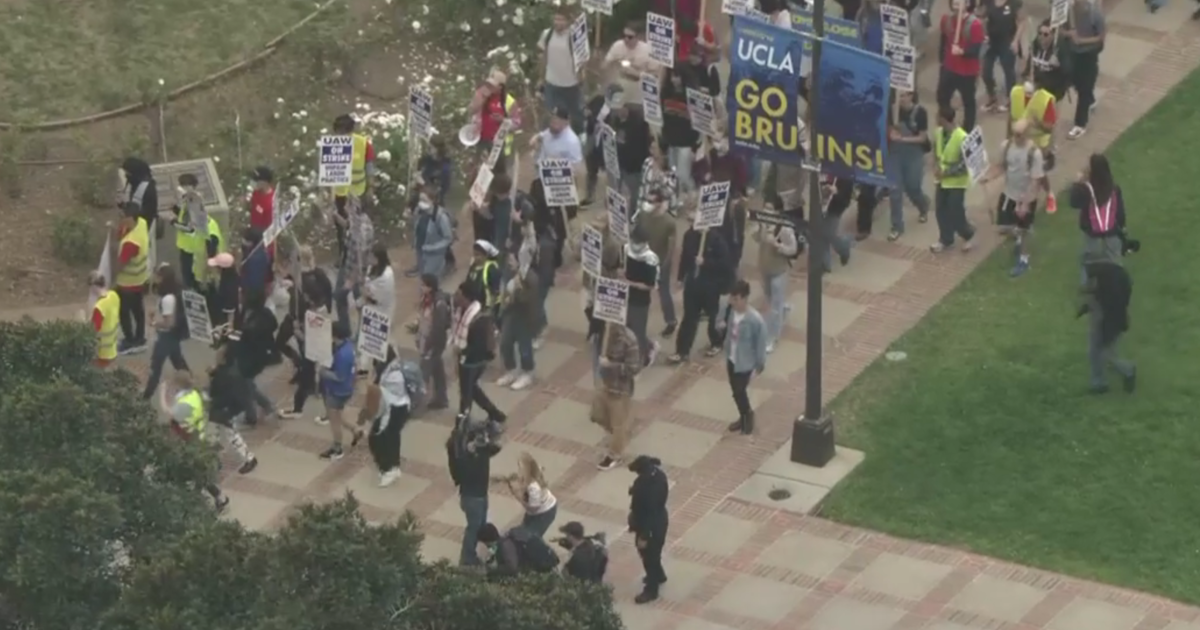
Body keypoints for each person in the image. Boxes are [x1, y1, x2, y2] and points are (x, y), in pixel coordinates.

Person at [981, 119, 1048, 277]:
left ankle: (1023, 259)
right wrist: (988, 177)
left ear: (1026, 134)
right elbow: (1001, 166)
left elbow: (1035, 180)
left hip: (1026, 197)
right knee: (1003, 226)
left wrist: (1025, 203)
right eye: (1013, 133)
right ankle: (1018, 235)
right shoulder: (1006, 146)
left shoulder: (1034, 153)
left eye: (1018, 134)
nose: (1015, 137)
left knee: (1023, 229)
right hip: (1009, 193)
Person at [162, 370, 232, 511]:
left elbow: (169, 413)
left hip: (191, 440)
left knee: (196, 472)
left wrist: (162, 393)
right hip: (200, 435)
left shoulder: (184, 404)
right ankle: (216, 498)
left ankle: (205, 500)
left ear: (177, 385)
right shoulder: (195, 394)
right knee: (198, 472)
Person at [668, 212, 733, 364]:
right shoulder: (689, 236)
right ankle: (682, 350)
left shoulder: (717, 239)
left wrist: (705, 262)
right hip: (693, 284)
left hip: (711, 285)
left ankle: (717, 342)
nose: (690, 223)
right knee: (689, 317)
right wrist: (680, 277)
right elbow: (684, 257)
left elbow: (725, 265)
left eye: (693, 220)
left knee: (713, 317)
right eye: (689, 219)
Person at [446, 415, 501, 566]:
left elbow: (496, 448)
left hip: (481, 494)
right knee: (474, 528)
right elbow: (462, 472)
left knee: (481, 525)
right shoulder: (462, 455)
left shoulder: (481, 448)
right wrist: (470, 453)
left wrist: (487, 441)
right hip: (471, 497)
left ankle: (490, 548)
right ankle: (467, 557)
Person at [716, 280, 768, 434]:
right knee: (736, 391)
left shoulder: (754, 320)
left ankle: (747, 417)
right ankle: (743, 416)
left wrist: (759, 365)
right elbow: (721, 320)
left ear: (745, 298)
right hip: (732, 359)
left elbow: (760, 343)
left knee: (739, 391)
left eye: (736, 299)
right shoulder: (731, 312)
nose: (733, 302)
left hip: (745, 363)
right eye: (732, 298)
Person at [204, 334, 261, 475]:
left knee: (230, 435)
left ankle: (249, 458)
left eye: (219, 354)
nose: (216, 355)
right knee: (214, 435)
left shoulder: (226, 376)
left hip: (224, 411)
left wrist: (211, 402)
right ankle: (214, 461)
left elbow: (219, 394)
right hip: (222, 410)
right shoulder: (228, 370)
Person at [280, 271, 333, 420]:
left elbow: (312, 339)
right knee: (306, 381)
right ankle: (299, 408)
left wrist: (298, 332)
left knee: (319, 383)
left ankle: (325, 412)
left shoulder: (316, 314)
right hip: (315, 352)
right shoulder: (319, 308)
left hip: (316, 352)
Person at [452, 281, 506, 425]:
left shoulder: (479, 320)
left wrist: (462, 351)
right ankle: (495, 414)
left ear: (466, 298)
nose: (455, 297)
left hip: (473, 360)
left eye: (459, 294)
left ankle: (462, 420)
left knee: (466, 392)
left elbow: (479, 346)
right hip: (465, 357)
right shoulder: (461, 311)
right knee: (471, 388)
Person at [1079, 256, 1135, 394]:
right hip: (1115, 317)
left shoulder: (1100, 275)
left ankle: (1127, 370)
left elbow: (1091, 291)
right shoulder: (1116, 274)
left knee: (1102, 353)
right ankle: (1099, 383)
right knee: (1099, 351)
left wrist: (1088, 302)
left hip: (1110, 319)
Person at [593, 322, 642, 471]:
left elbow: (633, 368)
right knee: (597, 414)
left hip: (620, 389)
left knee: (618, 424)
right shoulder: (603, 334)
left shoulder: (629, 339)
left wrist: (610, 365)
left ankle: (615, 455)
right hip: (604, 384)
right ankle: (618, 437)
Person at [756, 195, 800, 352]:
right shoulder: (762, 223)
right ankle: (784, 308)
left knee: (774, 306)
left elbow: (793, 249)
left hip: (779, 271)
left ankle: (772, 338)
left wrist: (778, 245)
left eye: (770, 209)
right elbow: (756, 239)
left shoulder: (784, 228)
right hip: (765, 268)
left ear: (777, 211)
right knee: (769, 297)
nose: (766, 211)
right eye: (765, 207)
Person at [1069, 153, 1126, 272]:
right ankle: (1116, 282)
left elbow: (1073, 203)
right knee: (1114, 259)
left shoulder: (1086, 189)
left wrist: (1078, 182)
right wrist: (1122, 226)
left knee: (1089, 259)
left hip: (1091, 230)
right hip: (1112, 229)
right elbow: (1120, 211)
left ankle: (1089, 284)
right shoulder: (1114, 188)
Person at [361, 349, 411, 487]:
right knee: (392, 437)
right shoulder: (391, 367)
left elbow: (374, 391)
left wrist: (370, 380)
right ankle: (393, 466)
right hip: (395, 407)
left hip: (395, 409)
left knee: (378, 438)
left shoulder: (393, 375)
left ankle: (388, 469)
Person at [140, 265, 190, 400]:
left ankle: (146, 395)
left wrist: (155, 324)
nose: (155, 278)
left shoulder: (168, 298)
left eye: (158, 276)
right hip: (172, 337)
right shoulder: (172, 294)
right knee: (178, 362)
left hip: (166, 337)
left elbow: (169, 323)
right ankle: (191, 387)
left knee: (155, 367)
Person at [330, 114, 376, 258]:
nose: (337, 135)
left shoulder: (363, 144)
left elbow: (369, 168)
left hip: (357, 192)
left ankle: (357, 253)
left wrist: (371, 188)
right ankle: (343, 254)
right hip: (339, 193)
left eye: (339, 132)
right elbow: (328, 169)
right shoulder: (332, 144)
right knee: (340, 226)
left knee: (356, 225)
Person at [931, 107, 977, 253]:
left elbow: (965, 165)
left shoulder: (962, 137)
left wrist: (946, 172)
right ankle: (946, 239)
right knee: (940, 209)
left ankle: (968, 234)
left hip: (957, 182)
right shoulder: (938, 133)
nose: (936, 120)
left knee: (955, 211)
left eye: (938, 117)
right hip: (942, 180)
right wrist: (936, 166)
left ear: (944, 119)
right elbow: (937, 152)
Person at [888, 91, 932, 241]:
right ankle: (897, 226)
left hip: (913, 154)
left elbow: (922, 137)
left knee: (912, 186)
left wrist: (902, 138)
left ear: (911, 96)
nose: (901, 99)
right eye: (899, 95)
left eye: (904, 95)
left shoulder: (920, 113)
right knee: (894, 191)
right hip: (894, 154)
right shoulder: (892, 110)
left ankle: (923, 205)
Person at [936, 0, 985, 132]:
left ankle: (966, 131)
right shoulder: (946, 20)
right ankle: (946, 123)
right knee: (941, 97)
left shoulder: (975, 24)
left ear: (968, 4)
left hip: (967, 72)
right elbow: (943, 41)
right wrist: (942, 61)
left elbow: (976, 50)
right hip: (949, 68)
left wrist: (962, 51)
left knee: (968, 102)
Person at [634, 192, 678, 337]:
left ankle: (671, 321)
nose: (648, 204)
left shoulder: (669, 222)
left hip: (660, 262)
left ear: (659, 203)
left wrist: (665, 265)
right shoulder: (643, 215)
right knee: (640, 292)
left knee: (663, 292)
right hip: (644, 259)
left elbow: (671, 247)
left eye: (652, 201)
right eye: (647, 200)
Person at [317, 320, 363, 460]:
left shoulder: (342, 354)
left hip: (337, 391)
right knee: (339, 415)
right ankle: (356, 429)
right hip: (346, 389)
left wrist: (323, 372)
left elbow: (339, 377)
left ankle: (337, 448)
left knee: (334, 420)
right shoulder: (349, 347)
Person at [627, 455, 669, 604]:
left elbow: (649, 513)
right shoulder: (658, 475)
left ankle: (651, 590)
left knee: (648, 556)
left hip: (650, 526)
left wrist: (644, 536)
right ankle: (659, 574)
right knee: (654, 553)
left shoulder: (646, 485)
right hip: (660, 520)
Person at [604, 89, 653, 211]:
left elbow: (644, 144)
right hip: (618, 163)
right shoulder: (612, 119)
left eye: (619, 109)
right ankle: (615, 213)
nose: (617, 112)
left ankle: (633, 215)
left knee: (635, 192)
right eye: (614, 109)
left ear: (625, 107)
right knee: (614, 190)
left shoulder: (638, 122)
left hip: (633, 166)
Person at [537, 9, 585, 134]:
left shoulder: (575, 36)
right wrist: (541, 78)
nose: (557, 22)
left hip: (571, 83)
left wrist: (581, 75)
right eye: (555, 19)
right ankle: (549, 138)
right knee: (550, 113)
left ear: (568, 21)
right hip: (551, 82)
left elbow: (582, 58)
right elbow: (544, 57)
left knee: (575, 113)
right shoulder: (547, 34)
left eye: (561, 20)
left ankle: (579, 135)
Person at [496, 252, 539, 391]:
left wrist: (518, 293)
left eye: (512, 260)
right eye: (508, 260)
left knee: (524, 346)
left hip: (525, 316)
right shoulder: (508, 274)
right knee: (505, 343)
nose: (509, 263)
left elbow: (531, 298)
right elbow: (504, 291)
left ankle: (527, 372)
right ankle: (511, 370)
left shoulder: (529, 276)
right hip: (510, 313)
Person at [1064, 0, 1106, 140]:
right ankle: (1091, 99)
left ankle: (1080, 124)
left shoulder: (1094, 13)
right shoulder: (1068, 11)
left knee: (1084, 88)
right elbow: (1060, 29)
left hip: (1088, 54)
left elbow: (1101, 37)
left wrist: (1082, 41)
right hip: (1073, 53)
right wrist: (1069, 34)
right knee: (1075, 82)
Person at [237, 289, 279, 425]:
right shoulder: (255, 314)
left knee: (245, 385)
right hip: (252, 356)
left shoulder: (257, 320)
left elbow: (248, 336)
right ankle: (266, 405)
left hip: (253, 358)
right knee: (247, 384)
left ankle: (251, 416)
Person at [468, 69, 520, 174]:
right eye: (488, 84)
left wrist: (503, 120)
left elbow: (517, 123)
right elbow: (471, 111)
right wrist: (481, 99)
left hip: (498, 145)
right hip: (480, 140)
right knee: (478, 172)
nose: (489, 87)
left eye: (492, 85)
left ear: (500, 87)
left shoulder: (509, 101)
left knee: (496, 173)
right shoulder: (481, 94)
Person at [115, 202, 150, 354]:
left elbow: (121, 264)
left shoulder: (131, 243)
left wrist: (109, 276)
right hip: (140, 278)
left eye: (122, 217)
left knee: (124, 312)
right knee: (138, 310)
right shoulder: (141, 223)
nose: (120, 219)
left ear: (130, 218)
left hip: (127, 283)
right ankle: (140, 338)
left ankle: (130, 341)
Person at [335, 196, 375, 327]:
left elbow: (361, 256)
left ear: (355, 208)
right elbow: (348, 226)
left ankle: (363, 332)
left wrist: (351, 280)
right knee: (339, 297)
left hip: (356, 274)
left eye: (348, 205)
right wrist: (336, 216)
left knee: (360, 303)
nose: (345, 207)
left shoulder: (363, 229)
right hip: (346, 265)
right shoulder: (355, 220)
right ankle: (344, 328)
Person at [1009, 70, 1060, 174]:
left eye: (1032, 80)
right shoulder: (1015, 92)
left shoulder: (1046, 100)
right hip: (1018, 141)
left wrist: (1037, 123)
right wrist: (1008, 138)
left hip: (1037, 145)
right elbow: (1011, 117)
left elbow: (1049, 128)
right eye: (1027, 79)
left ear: (1038, 84)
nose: (1028, 82)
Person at [624, 225, 660, 366]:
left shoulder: (650, 259)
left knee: (638, 331)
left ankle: (645, 355)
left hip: (640, 301)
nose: (635, 244)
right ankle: (647, 345)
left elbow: (650, 286)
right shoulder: (627, 249)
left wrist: (629, 283)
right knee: (627, 327)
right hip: (626, 297)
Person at [981, 0, 1025, 113]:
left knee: (1008, 72)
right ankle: (992, 97)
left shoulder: (1014, 3)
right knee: (985, 71)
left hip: (1007, 41)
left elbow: (1021, 22)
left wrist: (1015, 41)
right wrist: (984, 34)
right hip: (992, 42)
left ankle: (1010, 99)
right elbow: (982, 16)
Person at [415, 273, 451, 409]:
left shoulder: (439, 304)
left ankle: (415, 402)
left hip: (434, 342)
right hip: (426, 338)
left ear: (430, 287)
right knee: (437, 369)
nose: (421, 287)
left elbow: (438, 327)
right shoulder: (426, 299)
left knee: (423, 372)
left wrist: (429, 344)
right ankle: (442, 398)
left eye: (423, 285)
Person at [166, 173, 208, 289]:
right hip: (186, 246)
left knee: (189, 276)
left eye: (183, 186)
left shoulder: (194, 201)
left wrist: (173, 223)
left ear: (190, 186)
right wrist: (176, 210)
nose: (180, 189)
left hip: (191, 247)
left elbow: (190, 228)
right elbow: (186, 216)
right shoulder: (188, 199)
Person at [502, 452, 558, 536]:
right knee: (525, 530)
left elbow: (534, 507)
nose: (519, 470)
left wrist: (519, 497)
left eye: (521, 468)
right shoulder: (532, 475)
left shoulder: (533, 487)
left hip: (544, 512)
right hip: (536, 511)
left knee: (532, 535)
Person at [476, 523, 561, 577]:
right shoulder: (506, 539)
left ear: (488, 541)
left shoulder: (505, 545)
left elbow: (512, 568)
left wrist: (494, 569)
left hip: (539, 570)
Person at [603, 21, 657, 104]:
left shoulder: (647, 50)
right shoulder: (617, 46)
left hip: (637, 92)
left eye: (630, 37)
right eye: (624, 36)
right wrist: (614, 64)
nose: (626, 39)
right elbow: (605, 65)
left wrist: (638, 73)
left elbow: (655, 75)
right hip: (618, 88)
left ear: (638, 37)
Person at [413, 183, 454, 279]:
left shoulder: (440, 217)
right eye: (420, 200)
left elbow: (448, 238)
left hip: (434, 256)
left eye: (424, 200)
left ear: (433, 201)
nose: (421, 203)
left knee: (430, 281)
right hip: (421, 251)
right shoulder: (419, 211)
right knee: (423, 280)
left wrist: (432, 247)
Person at [1025, 20, 1070, 103]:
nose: (1041, 36)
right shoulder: (1035, 46)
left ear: (1053, 35)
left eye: (1046, 34)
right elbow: (1029, 66)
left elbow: (1068, 72)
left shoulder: (1060, 49)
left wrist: (1058, 65)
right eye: (1040, 33)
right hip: (1037, 87)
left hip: (1053, 92)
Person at [820, 177, 855, 271]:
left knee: (829, 234)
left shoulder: (846, 176)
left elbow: (845, 200)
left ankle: (844, 247)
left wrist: (835, 193)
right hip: (821, 204)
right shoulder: (825, 171)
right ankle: (825, 264)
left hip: (834, 208)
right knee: (821, 233)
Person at [639, 140, 680, 219]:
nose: (651, 147)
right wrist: (639, 208)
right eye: (651, 146)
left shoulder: (671, 170)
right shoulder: (647, 163)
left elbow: (669, 192)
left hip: (664, 213)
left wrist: (661, 177)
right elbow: (642, 187)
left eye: (655, 147)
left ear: (661, 152)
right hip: (647, 208)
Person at [121, 157, 159, 238]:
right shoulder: (137, 184)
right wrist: (123, 205)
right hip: (140, 229)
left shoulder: (145, 187)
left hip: (143, 232)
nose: (126, 176)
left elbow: (146, 211)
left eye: (128, 173)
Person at [89, 271, 121, 368]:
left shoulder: (99, 307)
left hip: (102, 351)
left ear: (93, 286)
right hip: (113, 347)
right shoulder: (114, 295)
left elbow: (93, 330)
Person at [239, 228, 272, 316]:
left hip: (252, 294)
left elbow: (253, 280)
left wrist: (243, 290)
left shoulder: (254, 259)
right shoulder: (262, 254)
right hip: (259, 292)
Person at [465, 240, 502, 319]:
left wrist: (489, 311)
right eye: (474, 254)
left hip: (488, 308)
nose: (475, 258)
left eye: (478, 255)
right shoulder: (473, 267)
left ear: (486, 255)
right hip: (475, 305)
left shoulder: (491, 269)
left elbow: (495, 292)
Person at [247, 166, 276, 257]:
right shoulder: (256, 192)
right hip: (252, 235)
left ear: (264, 183)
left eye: (256, 180)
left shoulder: (271, 203)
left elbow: (270, 229)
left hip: (263, 244)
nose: (253, 183)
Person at [206, 252, 239, 327]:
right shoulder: (231, 277)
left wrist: (228, 328)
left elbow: (230, 311)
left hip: (224, 319)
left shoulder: (229, 285)